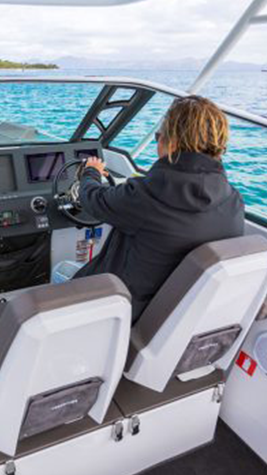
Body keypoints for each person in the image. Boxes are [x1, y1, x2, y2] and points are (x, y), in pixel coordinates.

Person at [74, 95, 244, 322]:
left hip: (118, 309)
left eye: (158, 137)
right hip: (173, 317)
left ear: (172, 142)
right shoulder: (233, 201)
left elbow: (94, 200)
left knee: (62, 272)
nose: (157, 142)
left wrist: (91, 173)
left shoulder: (146, 195)